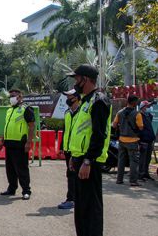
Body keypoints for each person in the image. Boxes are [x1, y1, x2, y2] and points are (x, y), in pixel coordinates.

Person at [67, 64, 111, 236]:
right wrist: (74, 156)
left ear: (86, 79)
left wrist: (87, 161)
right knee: (82, 207)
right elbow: (81, 132)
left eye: (77, 78)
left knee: (91, 208)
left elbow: (98, 135)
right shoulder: (86, 100)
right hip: (80, 159)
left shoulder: (98, 101)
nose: (75, 82)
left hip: (89, 163)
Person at [0, 88, 34, 200]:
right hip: (9, 143)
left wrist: (29, 142)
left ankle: (26, 190)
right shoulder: (9, 110)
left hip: (20, 143)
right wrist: (2, 140)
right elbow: (7, 126)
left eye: (13, 95)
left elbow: (32, 126)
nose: (11, 98)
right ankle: (12, 188)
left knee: (22, 168)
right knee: (10, 169)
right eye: (10, 96)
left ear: (20, 96)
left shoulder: (26, 108)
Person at [112, 95, 143, 186]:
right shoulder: (137, 114)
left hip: (121, 140)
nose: (137, 103)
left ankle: (119, 179)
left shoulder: (120, 112)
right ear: (133, 102)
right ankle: (133, 181)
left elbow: (114, 125)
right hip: (133, 140)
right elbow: (141, 127)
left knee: (121, 160)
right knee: (133, 161)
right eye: (136, 101)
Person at [57, 89, 81, 210]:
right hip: (68, 149)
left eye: (70, 97)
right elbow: (66, 131)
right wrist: (62, 147)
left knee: (75, 175)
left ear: (76, 98)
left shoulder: (82, 113)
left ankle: (72, 199)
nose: (67, 99)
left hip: (78, 149)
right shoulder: (67, 112)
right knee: (70, 174)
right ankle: (72, 198)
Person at [138, 100, 156, 181]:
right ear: (142, 107)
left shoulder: (148, 115)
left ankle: (146, 173)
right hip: (143, 140)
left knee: (148, 158)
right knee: (142, 158)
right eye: (147, 106)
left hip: (150, 140)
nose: (149, 107)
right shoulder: (139, 115)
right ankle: (140, 174)